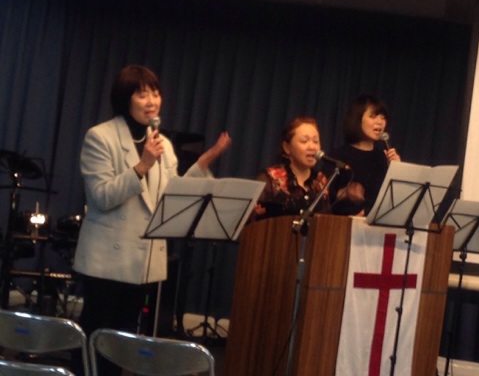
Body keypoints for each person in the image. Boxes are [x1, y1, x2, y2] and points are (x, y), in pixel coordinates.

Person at [73, 64, 231, 344]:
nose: (152, 101)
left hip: (142, 261)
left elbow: (172, 195)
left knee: (122, 341)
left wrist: (202, 163)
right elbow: (100, 197)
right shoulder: (100, 136)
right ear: (125, 99)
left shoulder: (162, 144)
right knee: (96, 335)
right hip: (107, 260)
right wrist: (142, 166)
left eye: (155, 94)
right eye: (142, 94)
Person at [329, 94, 400, 216]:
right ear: (357, 119)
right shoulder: (338, 156)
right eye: (373, 116)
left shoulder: (383, 158)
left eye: (383, 117)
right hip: (342, 222)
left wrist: (397, 169)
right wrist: (344, 193)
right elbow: (326, 196)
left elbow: (394, 200)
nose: (379, 122)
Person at [253, 116, 331, 220]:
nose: (312, 147)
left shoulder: (320, 180)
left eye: (315, 141)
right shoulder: (270, 178)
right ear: (287, 147)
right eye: (304, 141)